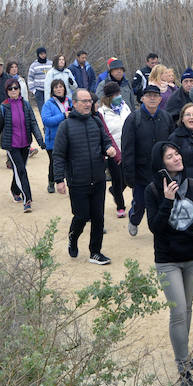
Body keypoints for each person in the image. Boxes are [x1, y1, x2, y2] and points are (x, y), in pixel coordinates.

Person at [145, 141, 193, 386]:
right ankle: (182, 365)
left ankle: (183, 352)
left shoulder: (192, 185)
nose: (176, 158)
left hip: (192, 257)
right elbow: (155, 227)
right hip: (167, 260)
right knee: (179, 311)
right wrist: (168, 200)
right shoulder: (152, 189)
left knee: (188, 308)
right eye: (170, 156)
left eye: (177, 154)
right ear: (161, 164)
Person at [53, 88, 116, 264]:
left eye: (90, 101)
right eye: (84, 101)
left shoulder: (96, 122)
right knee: (81, 216)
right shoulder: (65, 126)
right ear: (74, 104)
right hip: (77, 180)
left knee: (98, 217)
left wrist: (109, 149)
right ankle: (73, 239)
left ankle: (95, 252)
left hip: (98, 178)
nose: (88, 104)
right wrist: (59, 179)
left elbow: (106, 141)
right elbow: (58, 155)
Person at [121, 84, 174, 237]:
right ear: (142, 98)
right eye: (148, 95)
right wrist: (128, 175)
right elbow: (127, 150)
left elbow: (171, 145)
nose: (152, 98)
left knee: (164, 201)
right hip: (141, 172)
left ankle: (162, 229)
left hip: (162, 172)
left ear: (160, 99)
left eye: (155, 96)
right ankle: (134, 219)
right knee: (140, 203)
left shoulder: (166, 117)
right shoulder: (133, 119)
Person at [0, 78, 45, 210]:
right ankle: (27, 199)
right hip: (12, 146)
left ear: (19, 89)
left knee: (20, 169)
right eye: (10, 88)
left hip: (25, 143)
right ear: (6, 91)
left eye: (16, 88)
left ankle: (14, 189)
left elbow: (33, 123)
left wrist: (40, 140)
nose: (13, 90)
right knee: (21, 171)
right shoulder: (3, 107)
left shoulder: (26, 105)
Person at [96, 81, 130, 217]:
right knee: (117, 178)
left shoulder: (125, 107)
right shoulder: (102, 112)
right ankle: (120, 206)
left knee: (127, 178)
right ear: (108, 97)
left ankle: (115, 191)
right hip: (112, 150)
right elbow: (104, 133)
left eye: (119, 93)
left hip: (127, 147)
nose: (118, 96)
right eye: (115, 94)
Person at [42, 79, 72, 193]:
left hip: (69, 137)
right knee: (54, 163)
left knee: (69, 161)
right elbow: (46, 120)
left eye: (61, 86)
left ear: (64, 88)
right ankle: (51, 182)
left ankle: (70, 183)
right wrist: (63, 116)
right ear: (52, 90)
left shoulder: (70, 101)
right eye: (56, 87)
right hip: (53, 139)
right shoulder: (48, 104)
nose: (59, 89)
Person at [27, 46, 51, 113]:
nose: (43, 55)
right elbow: (30, 79)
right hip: (39, 92)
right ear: (38, 55)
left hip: (49, 91)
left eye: (44, 54)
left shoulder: (50, 64)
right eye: (41, 54)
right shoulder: (33, 65)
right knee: (42, 111)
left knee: (50, 109)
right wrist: (34, 91)